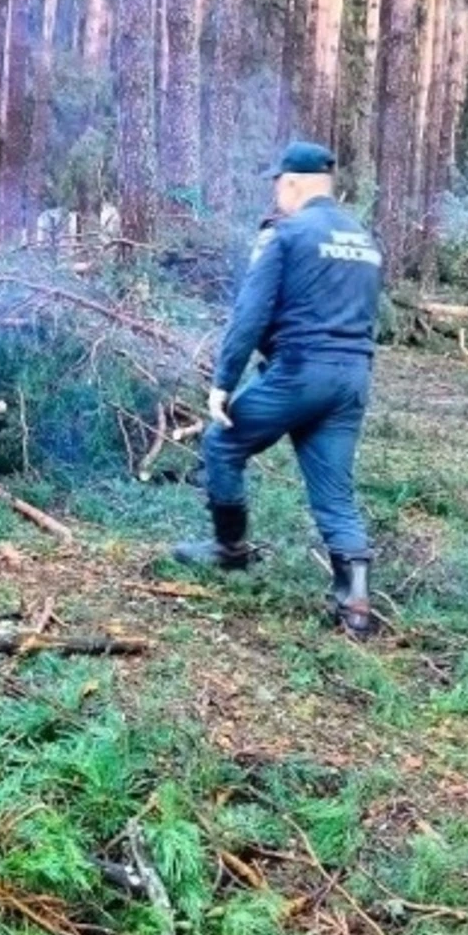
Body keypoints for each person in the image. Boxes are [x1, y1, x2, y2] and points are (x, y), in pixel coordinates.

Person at [171, 141, 385, 638]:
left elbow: (249, 315)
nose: (276, 194)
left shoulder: (284, 236)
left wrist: (222, 384)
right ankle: (355, 604)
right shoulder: (365, 240)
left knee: (223, 442)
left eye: (277, 184)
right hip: (352, 378)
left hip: (299, 372)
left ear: (291, 183)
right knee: (335, 493)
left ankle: (230, 550)